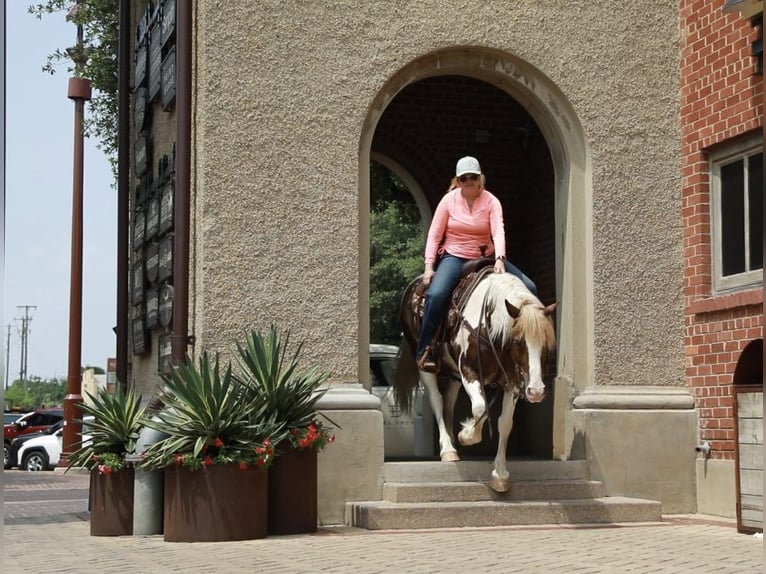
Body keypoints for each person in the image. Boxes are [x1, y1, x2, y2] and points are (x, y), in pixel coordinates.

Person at [415, 156, 537, 373]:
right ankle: (427, 347)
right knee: (436, 295)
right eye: (464, 178)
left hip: (486, 256)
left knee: (530, 287)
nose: (469, 181)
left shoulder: (491, 201)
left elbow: (498, 230)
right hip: (455, 256)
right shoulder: (448, 201)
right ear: (458, 180)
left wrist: (500, 258)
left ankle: (521, 346)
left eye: (473, 176)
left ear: (480, 178)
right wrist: (428, 266)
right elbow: (434, 234)